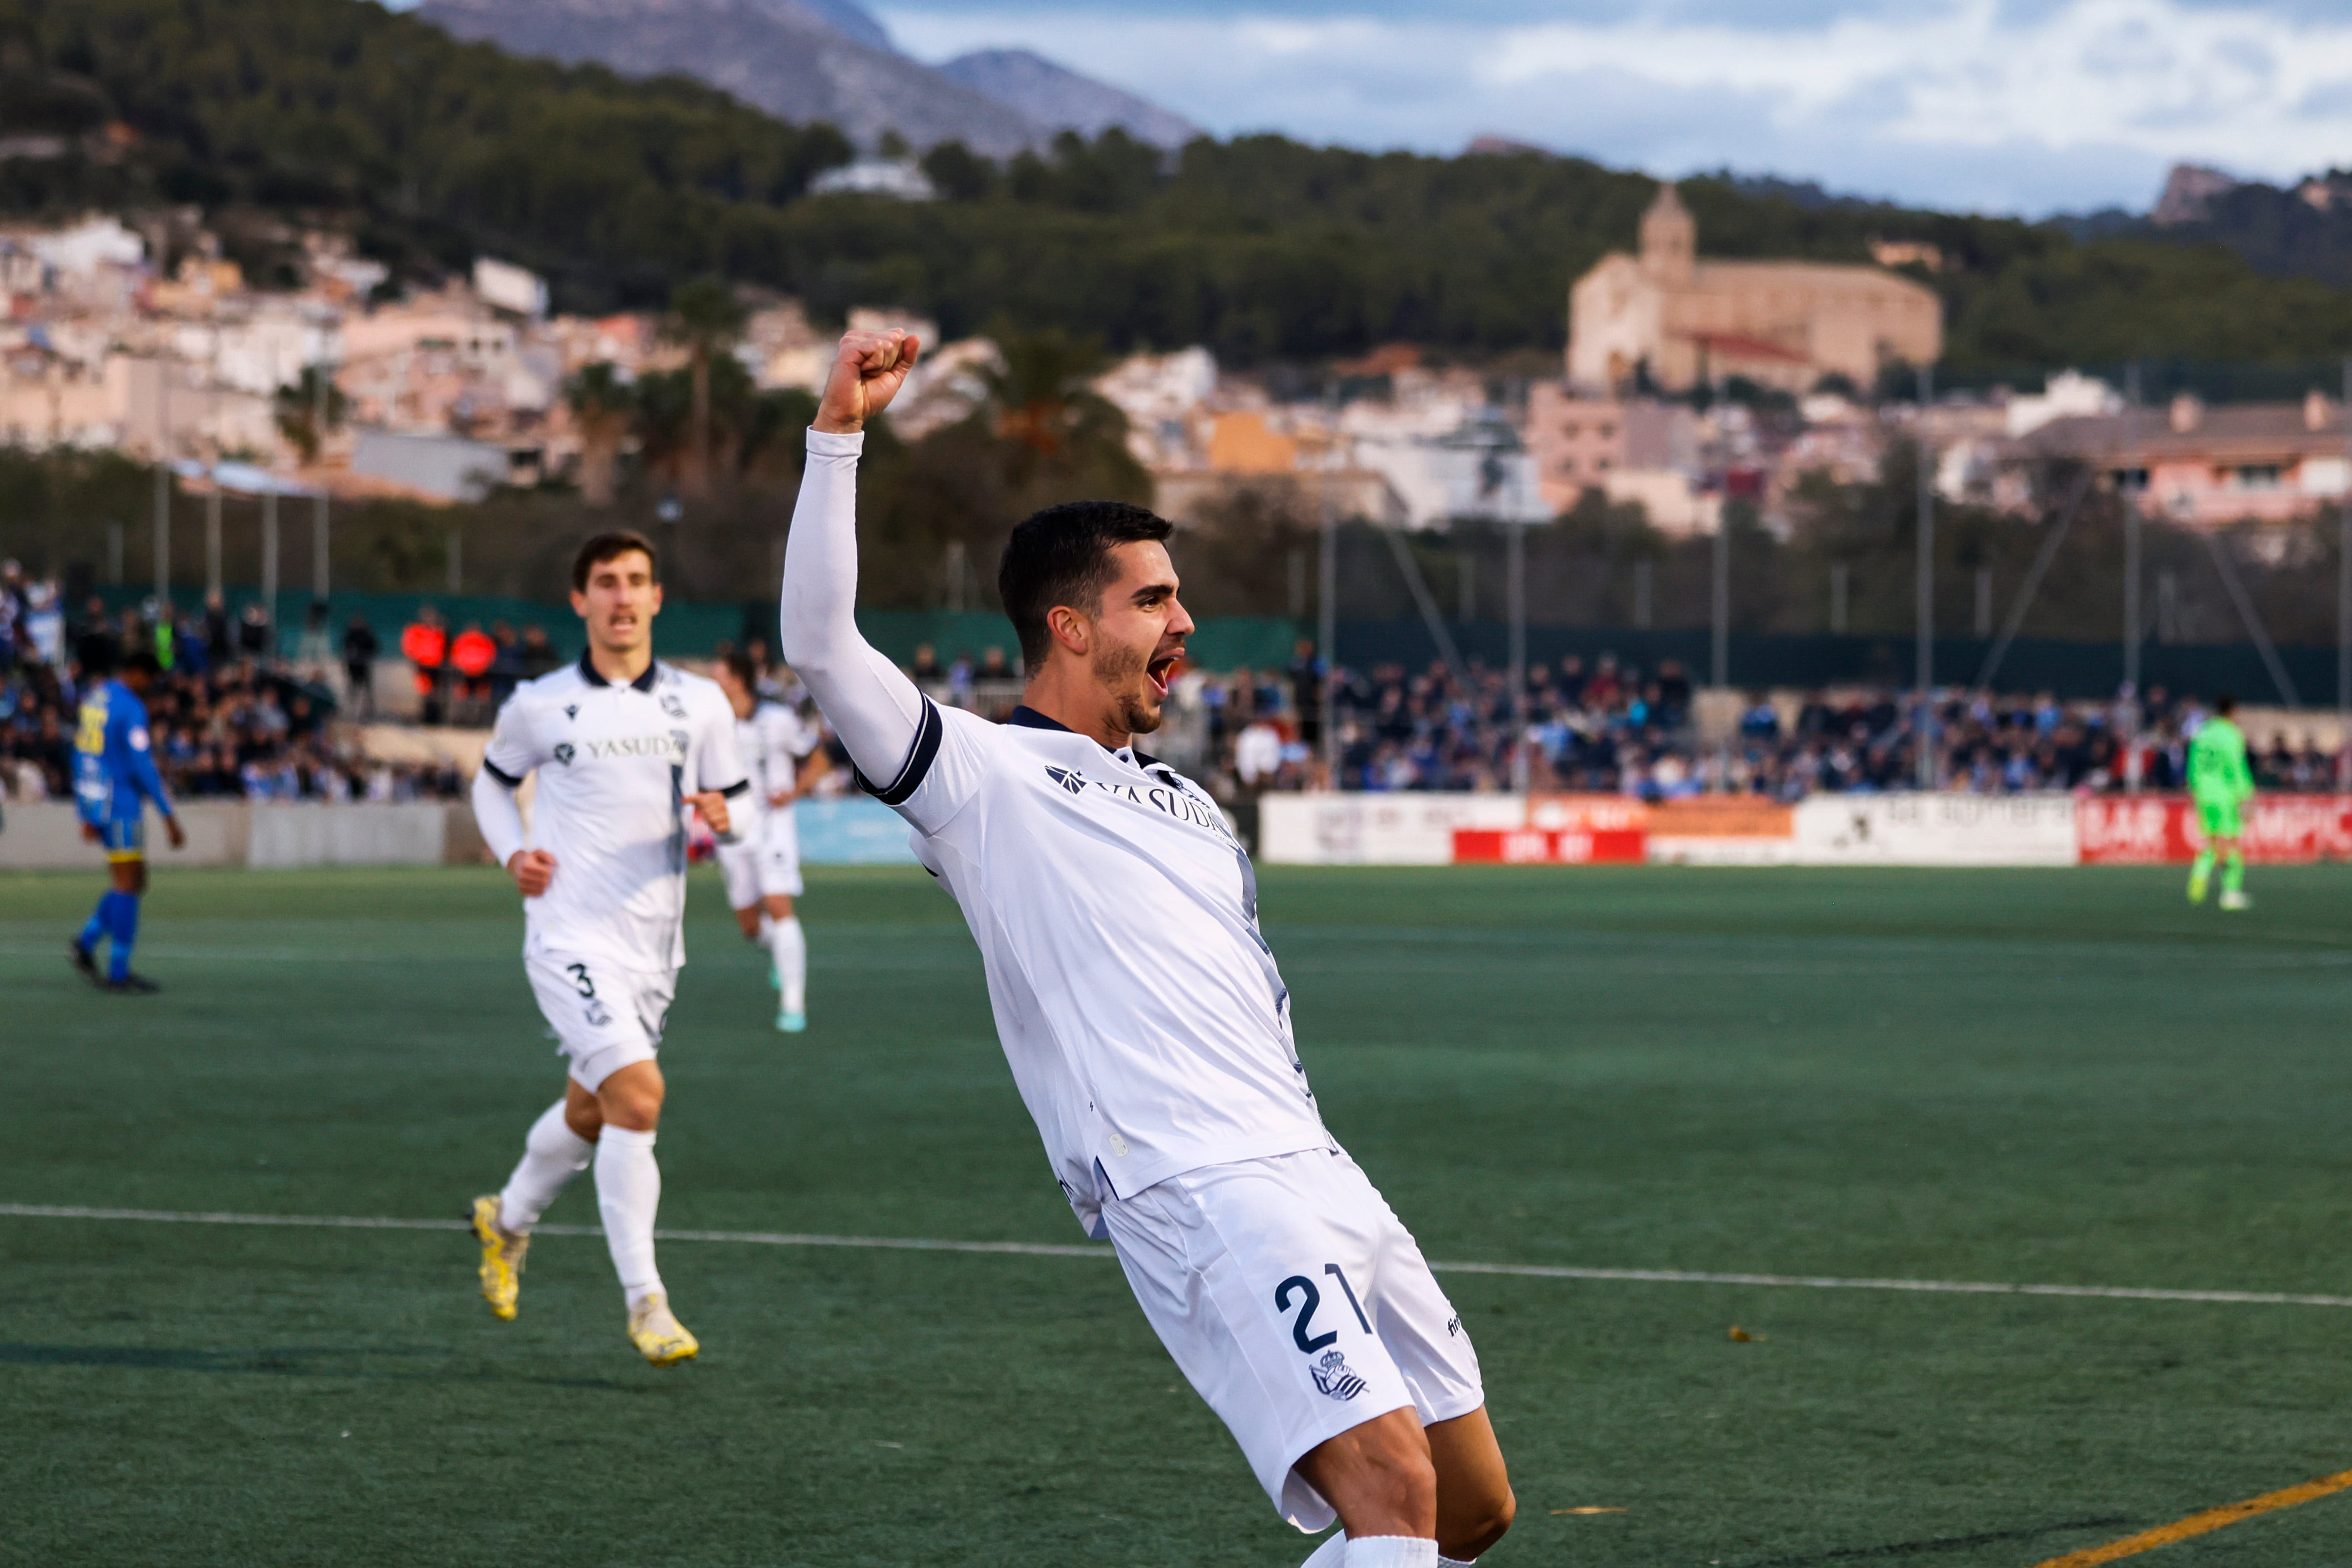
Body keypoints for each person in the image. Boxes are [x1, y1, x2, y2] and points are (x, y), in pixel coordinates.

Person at [779, 329, 1513, 1568]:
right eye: (1154, 598)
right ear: (1069, 625)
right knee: (1388, 1487)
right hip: (1195, 1179)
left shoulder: (1193, 801)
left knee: (1472, 1501)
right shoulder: (981, 776)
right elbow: (818, 641)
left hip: (1313, 1161)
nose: (1187, 618)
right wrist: (837, 434)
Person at [466, 532, 750, 1365]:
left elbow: (736, 807)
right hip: (567, 935)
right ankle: (646, 1301)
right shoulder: (538, 704)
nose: (621, 597)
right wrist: (511, 851)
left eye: (635, 582)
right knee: (638, 1096)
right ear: (579, 600)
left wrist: (729, 820)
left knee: (593, 1108)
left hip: (654, 949)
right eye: (605, 583)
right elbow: (490, 781)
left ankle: (507, 1217)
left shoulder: (701, 704)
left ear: (658, 597)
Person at [67, 645, 187, 992]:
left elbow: (82, 752)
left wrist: (86, 809)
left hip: (98, 798)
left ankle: (85, 943)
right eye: (150, 679)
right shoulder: (132, 707)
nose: (151, 687)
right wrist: (169, 815)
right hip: (119, 801)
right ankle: (118, 972)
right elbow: (142, 765)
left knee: (135, 880)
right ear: (136, 673)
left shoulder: (97, 696)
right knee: (126, 883)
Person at [712, 649, 819, 1031]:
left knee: (778, 904)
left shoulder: (777, 719)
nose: (714, 682)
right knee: (750, 926)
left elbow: (817, 755)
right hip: (729, 831)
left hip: (773, 826)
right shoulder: (712, 724)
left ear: (737, 680)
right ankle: (778, 950)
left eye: (719, 675)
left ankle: (793, 1002)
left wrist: (795, 791)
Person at [2187, 692, 2256, 910]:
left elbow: (2193, 764)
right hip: (2225, 793)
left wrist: (2195, 787)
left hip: (2204, 793)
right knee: (2231, 843)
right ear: (2233, 712)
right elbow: (2235, 767)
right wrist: (2246, 794)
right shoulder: (2231, 734)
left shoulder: (2202, 732)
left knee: (2213, 841)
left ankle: (2200, 872)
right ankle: (2230, 894)